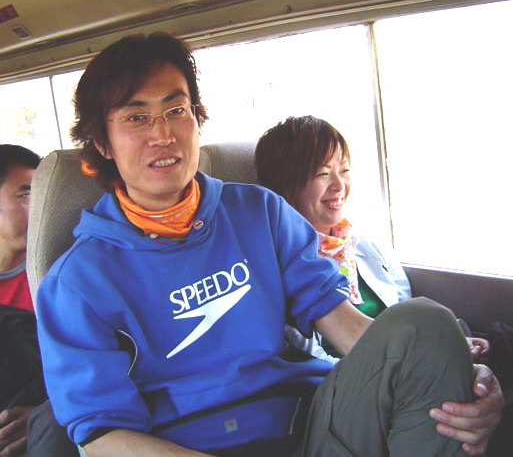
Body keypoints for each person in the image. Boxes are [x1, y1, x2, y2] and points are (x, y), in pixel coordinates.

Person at [35, 32, 488, 457]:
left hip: (310, 423)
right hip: (186, 446)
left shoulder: (259, 212)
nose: (164, 134)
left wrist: (450, 373)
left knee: (426, 322)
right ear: (103, 143)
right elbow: (101, 435)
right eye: (137, 117)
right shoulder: (78, 281)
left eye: (176, 110)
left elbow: (342, 322)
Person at [255, 115, 504, 455]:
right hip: (343, 396)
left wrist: (455, 348)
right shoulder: (270, 264)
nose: (339, 185)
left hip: (402, 374)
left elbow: (403, 314)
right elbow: (305, 362)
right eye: (322, 174)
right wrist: (422, 365)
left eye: (344, 170)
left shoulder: (365, 247)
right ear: (286, 185)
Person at [0, 144, 42, 456]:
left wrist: (46, 412)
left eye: (43, 195)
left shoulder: (61, 275)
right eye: (27, 194)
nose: (41, 207)